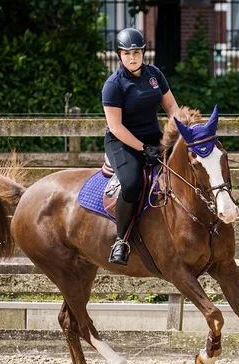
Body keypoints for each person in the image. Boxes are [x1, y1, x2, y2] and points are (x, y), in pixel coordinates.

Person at [102, 28, 179, 265]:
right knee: (133, 183)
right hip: (122, 141)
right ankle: (121, 241)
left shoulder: (154, 75)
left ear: (143, 52)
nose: (132, 58)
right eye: (127, 53)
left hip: (153, 136)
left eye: (137, 52)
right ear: (119, 55)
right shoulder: (113, 85)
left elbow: (172, 109)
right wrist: (144, 148)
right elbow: (115, 127)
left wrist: (181, 134)